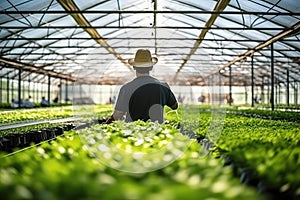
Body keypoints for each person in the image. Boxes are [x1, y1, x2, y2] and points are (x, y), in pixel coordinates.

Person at [106, 49, 178, 124]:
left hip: (132, 132)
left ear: (134, 67)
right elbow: (174, 106)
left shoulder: (126, 88)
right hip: (157, 132)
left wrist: (107, 123)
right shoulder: (163, 87)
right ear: (151, 67)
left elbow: (118, 114)